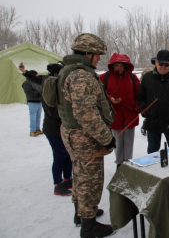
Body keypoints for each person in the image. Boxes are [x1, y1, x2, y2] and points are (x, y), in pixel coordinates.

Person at [57, 33, 116, 237]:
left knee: (80, 175)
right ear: (87, 53)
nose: (99, 58)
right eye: (97, 55)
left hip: (72, 134)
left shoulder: (68, 70)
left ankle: (80, 213)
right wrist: (106, 138)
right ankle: (89, 226)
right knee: (91, 179)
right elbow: (87, 115)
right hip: (84, 137)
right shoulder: (80, 75)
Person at [20, 62, 74, 196]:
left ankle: (67, 179)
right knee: (60, 156)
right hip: (53, 130)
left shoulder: (57, 85)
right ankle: (58, 184)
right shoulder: (49, 91)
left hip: (64, 128)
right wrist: (70, 108)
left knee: (68, 155)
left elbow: (37, 78)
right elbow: (53, 112)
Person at [137, 50, 169, 154]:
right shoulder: (147, 77)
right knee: (152, 151)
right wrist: (144, 110)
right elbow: (140, 96)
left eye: (166, 63)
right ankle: (152, 169)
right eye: (161, 63)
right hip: (152, 120)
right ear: (156, 62)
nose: (163, 66)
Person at [99, 53, 140, 170]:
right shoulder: (104, 77)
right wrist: (111, 98)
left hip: (130, 115)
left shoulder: (132, 77)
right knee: (117, 141)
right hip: (115, 116)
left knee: (129, 141)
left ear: (126, 66)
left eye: (121, 65)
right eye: (116, 65)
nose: (119, 68)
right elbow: (100, 95)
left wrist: (136, 107)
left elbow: (139, 94)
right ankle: (119, 164)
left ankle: (128, 163)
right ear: (112, 66)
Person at [20, 68, 43, 137]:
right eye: (36, 75)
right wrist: (38, 94)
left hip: (39, 101)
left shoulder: (38, 83)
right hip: (32, 102)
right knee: (33, 116)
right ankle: (32, 130)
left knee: (38, 116)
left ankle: (37, 129)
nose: (38, 76)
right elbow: (28, 92)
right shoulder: (27, 83)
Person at [139, 56, 156, 136]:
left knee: (149, 111)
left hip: (147, 95)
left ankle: (146, 125)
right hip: (155, 95)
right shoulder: (158, 70)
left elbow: (141, 83)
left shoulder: (145, 70)